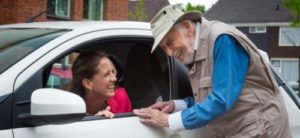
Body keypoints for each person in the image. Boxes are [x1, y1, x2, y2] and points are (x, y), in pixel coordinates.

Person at [133, 4, 291, 137]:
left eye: (170, 42)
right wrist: (177, 105)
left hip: (261, 129)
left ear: (188, 28)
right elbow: (210, 97)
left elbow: (221, 99)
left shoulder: (222, 39)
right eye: (163, 48)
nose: (169, 53)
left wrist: (168, 120)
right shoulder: (198, 52)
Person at [66, 51, 132, 118]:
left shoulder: (120, 96)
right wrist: (96, 121)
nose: (114, 78)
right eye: (106, 74)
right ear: (88, 84)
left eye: (113, 72)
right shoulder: (69, 106)